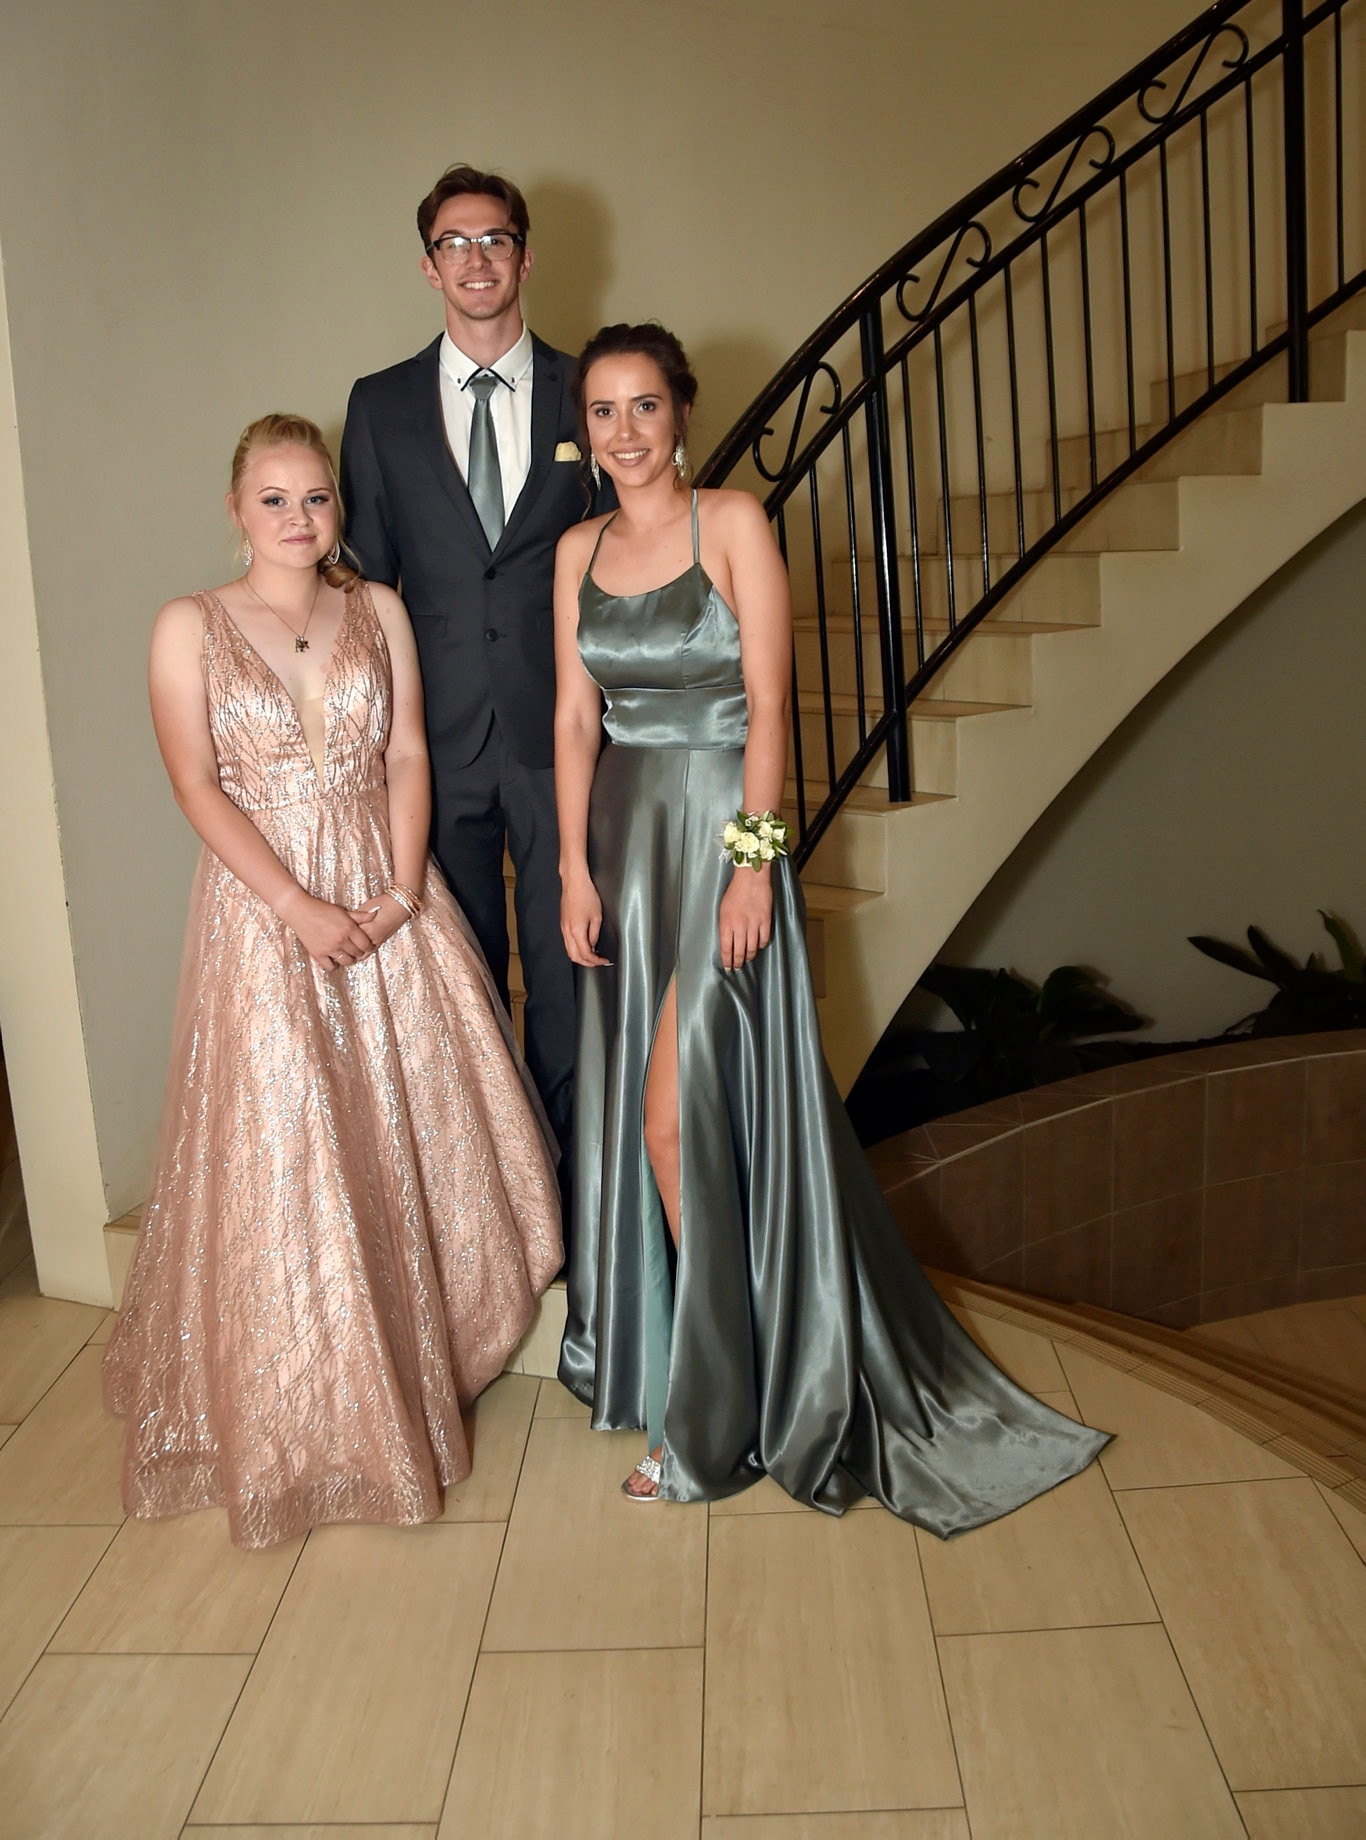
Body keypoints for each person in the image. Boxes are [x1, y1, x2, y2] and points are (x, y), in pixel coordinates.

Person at [553, 324, 1110, 1529]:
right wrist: (566, 867)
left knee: (667, 1121)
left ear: (681, 415)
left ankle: (710, 1410)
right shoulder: (576, 549)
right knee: (670, 1119)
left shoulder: (736, 525)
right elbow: (570, 719)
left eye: (644, 406)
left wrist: (755, 867)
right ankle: (714, 1364)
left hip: (717, 837)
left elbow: (769, 712)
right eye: (603, 411)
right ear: (584, 430)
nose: (625, 432)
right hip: (622, 849)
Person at [103, 414, 562, 1549]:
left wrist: (401, 894)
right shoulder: (188, 625)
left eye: (315, 499)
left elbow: (408, 752)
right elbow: (199, 788)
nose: (299, 519)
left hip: (383, 890)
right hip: (265, 913)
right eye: (274, 499)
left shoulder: (380, 610)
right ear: (235, 507)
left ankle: (418, 1360)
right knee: (292, 1143)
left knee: (412, 1128)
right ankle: (315, 1414)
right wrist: (296, 907)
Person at [341, 164, 609, 1238]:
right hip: (434, 743)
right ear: (428, 264)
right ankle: (491, 1209)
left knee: (567, 971)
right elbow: (365, 583)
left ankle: (582, 1207)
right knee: (456, 979)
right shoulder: (380, 403)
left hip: (563, 736)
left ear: (526, 255)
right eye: (455, 243)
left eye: (495, 239)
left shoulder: (588, 388)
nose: (477, 259)